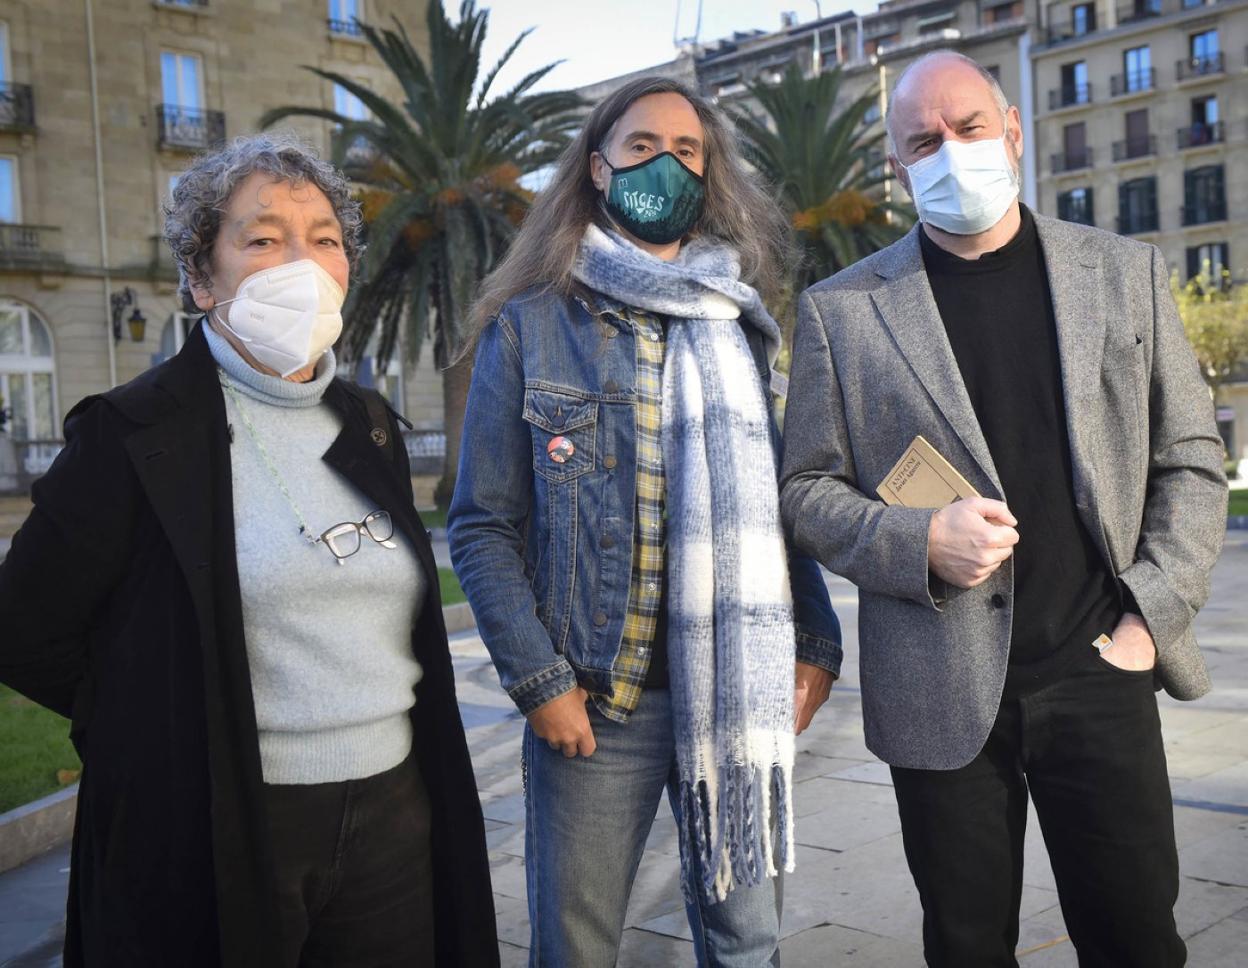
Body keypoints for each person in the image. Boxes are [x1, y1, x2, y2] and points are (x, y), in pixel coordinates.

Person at [0, 134, 497, 968]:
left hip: (393, 812)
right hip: (220, 829)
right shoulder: (130, 434)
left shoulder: (369, 423)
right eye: (264, 238)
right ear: (202, 277)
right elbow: (24, 629)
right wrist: (155, 723)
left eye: (325, 239)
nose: (301, 262)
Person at [780, 50, 1227, 968]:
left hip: (1100, 669)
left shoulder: (1124, 272)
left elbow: (1190, 457)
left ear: (1012, 132)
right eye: (923, 142)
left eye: (969, 127)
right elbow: (804, 491)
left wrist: (1148, 615)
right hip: (938, 691)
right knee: (967, 948)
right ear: (898, 169)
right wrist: (914, 540)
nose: (951, 151)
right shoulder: (842, 311)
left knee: (1139, 941)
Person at [447, 76, 842, 967]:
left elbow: (774, 506)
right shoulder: (531, 327)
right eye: (642, 146)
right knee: (577, 950)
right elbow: (480, 526)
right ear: (598, 168)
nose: (666, 163)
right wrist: (539, 681)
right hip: (598, 702)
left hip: (736, 695)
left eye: (686, 150)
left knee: (748, 946)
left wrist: (816, 642)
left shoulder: (740, 325)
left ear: (708, 175)